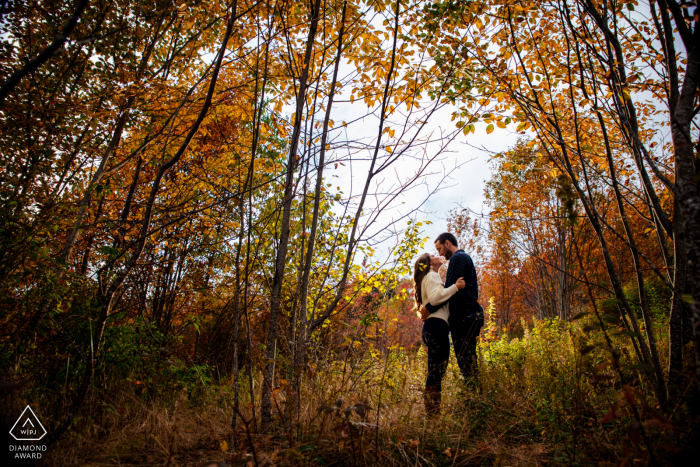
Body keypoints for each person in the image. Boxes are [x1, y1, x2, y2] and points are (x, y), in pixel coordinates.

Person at [421, 232, 484, 380]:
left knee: (466, 362)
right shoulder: (460, 258)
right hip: (465, 317)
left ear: (448, 243)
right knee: (467, 360)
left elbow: (448, 291)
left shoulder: (458, 258)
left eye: (439, 248)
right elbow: (449, 291)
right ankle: (474, 396)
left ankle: (474, 398)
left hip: (465, 317)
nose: (439, 253)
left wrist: (429, 308)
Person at [413, 253, 465, 417]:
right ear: (428, 264)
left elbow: (433, 301)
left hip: (433, 327)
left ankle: (433, 415)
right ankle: (433, 415)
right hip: (436, 327)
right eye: (433, 255)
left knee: (435, 372)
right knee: (436, 372)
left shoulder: (427, 277)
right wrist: (456, 287)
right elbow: (436, 298)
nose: (438, 256)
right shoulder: (432, 275)